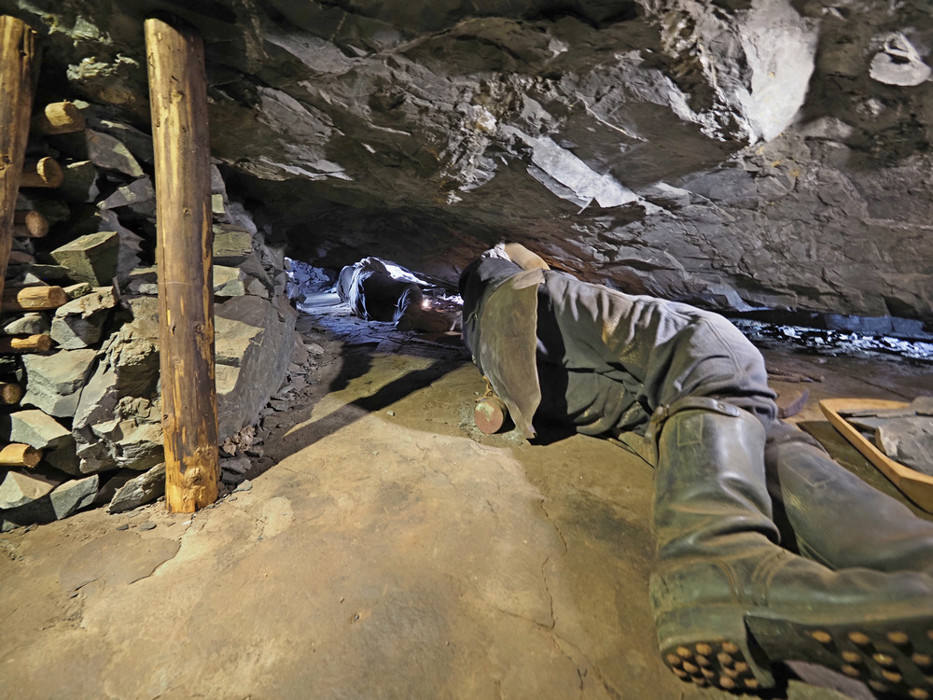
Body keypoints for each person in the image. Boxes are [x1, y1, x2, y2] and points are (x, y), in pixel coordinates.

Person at [459, 242, 933, 697]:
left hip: (527, 381)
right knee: (710, 344)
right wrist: (548, 269)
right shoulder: (501, 257)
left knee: (736, 424)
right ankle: (717, 557)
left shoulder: (474, 317)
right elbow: (533, 266)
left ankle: (915, 561)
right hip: (517, 311)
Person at [337, 257, 450, 332]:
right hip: (365, 278)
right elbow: (373, 265)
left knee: (395, 314)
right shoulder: (355, 269)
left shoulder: (346, 293)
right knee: (408, 288)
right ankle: (413, 312)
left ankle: (414, 320)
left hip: (359, 308)